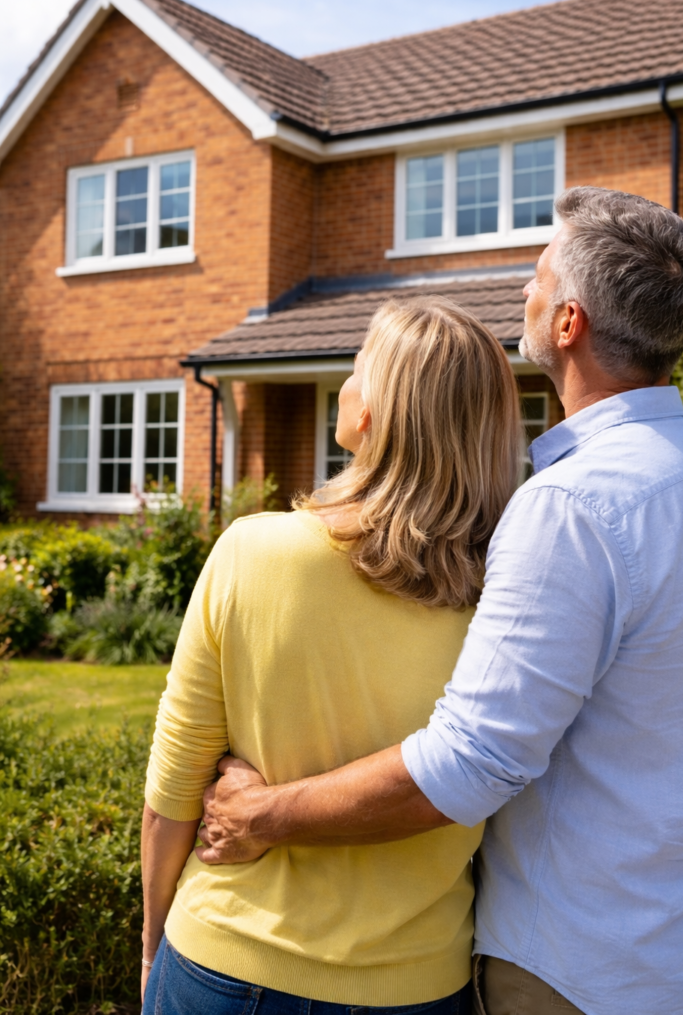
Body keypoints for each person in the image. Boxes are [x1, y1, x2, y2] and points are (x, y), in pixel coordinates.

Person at [198, 187, 683, 1015]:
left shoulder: (572, 506)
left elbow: (471, 764)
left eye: (537, 279)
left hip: (579, 973)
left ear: (568, 323)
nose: (523, 295)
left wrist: (264, 814)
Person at [140, 297, 521, 1014]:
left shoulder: (253, 551)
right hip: (418, 983)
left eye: (357, 367)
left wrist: (150, 936)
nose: (347, 384)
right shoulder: (509, 597)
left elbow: (173, 789)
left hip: (226, 959)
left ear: (373, 413)